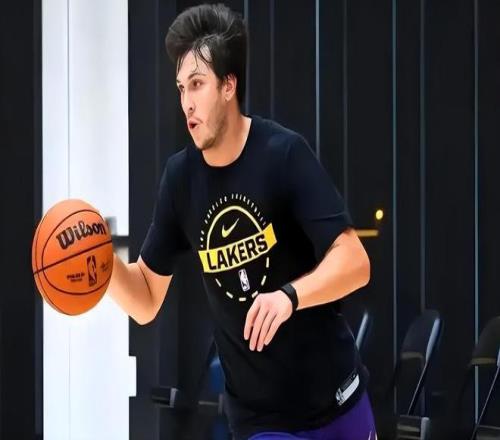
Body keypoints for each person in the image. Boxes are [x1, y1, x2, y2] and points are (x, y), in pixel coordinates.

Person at [108, 3, 376, 439]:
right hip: (261, 419)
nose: (186, 102)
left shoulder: (283, 154)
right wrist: (101, 264)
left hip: (336, 396)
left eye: (197, 84)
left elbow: (355, 262)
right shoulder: (180, 179)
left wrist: (289, 296)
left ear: (228, 85)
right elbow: (146, 299)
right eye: (181, 88)